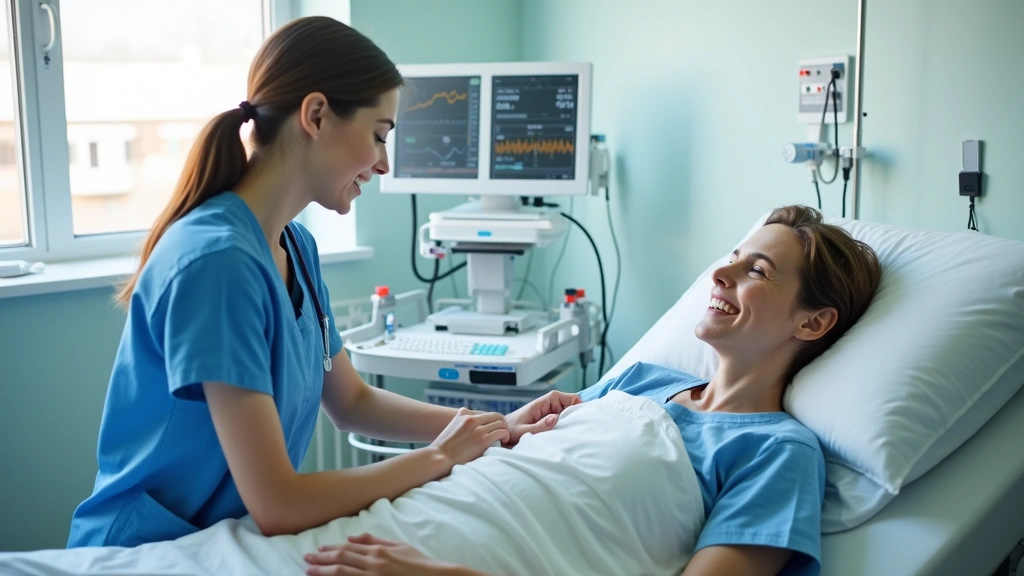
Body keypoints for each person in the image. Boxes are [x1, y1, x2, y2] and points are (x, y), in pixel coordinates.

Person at [67, 16, 576, 549]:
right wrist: (441, 458)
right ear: (315, 115)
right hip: (146, 548)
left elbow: (351, 400)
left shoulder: (295, 247)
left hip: (219, 538)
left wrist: (495, 426)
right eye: (378, 136)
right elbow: (279, 504)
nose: (383, 164)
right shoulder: (215, 261)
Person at [302, 205, 882, 576]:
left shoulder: (777, 450)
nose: (720, 275)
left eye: (757, 271)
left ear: (812, 323)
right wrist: (507, 429)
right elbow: (543, 463)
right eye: (731, 258)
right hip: (391, 526)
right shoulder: (644, 378)